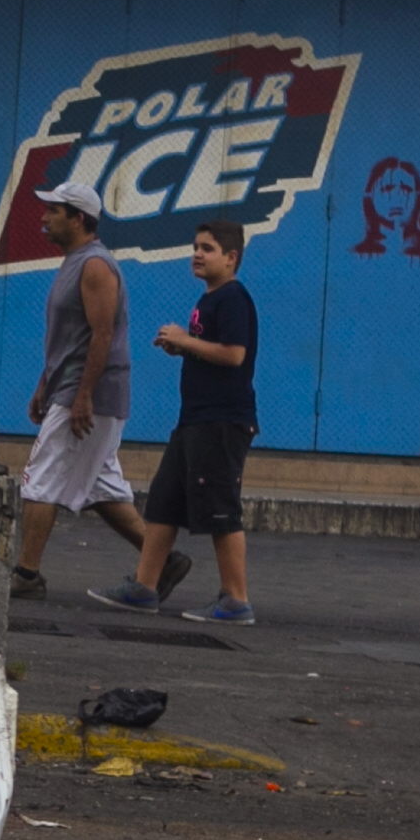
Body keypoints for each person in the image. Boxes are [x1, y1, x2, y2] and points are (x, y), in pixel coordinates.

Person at [8, 176, 181, 603]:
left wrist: (82, 395)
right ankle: (165, 561)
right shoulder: (74, 261)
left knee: (40, 479)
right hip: (70, 389)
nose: (44, 218)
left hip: (88, 396)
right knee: (102, 488)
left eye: (54, 211)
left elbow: (102, 335)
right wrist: (43, 384)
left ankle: (27, 574)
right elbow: (71, 337)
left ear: (79, 219)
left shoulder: (95, 266)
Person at [93, 220, 259, 625]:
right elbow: (211, 351)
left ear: (231, 258)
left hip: (221, 423)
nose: (198, 254)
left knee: (221, 510)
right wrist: (181, 349)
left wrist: (185, 341)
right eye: (196, 247)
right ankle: (144, 587)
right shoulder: (209, 299)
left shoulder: (234, 298)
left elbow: (235, 354)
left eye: (208, 248)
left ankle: (236, 600)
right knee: (164, 503)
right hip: (193, 421)